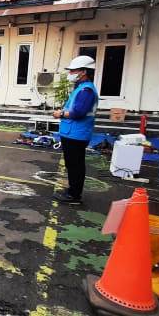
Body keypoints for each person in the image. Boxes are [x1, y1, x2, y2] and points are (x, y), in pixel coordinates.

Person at [53, 56, 98, 205]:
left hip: (77, 134)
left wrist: (61, 113)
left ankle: (74, 195)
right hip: (72, 132)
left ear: (84, 72)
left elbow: (79, 112)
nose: (71, 73)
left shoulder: (86, 90)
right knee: (72, 164)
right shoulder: (80, 88)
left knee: (76, 165)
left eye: (73, 70)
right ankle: (72, 191)